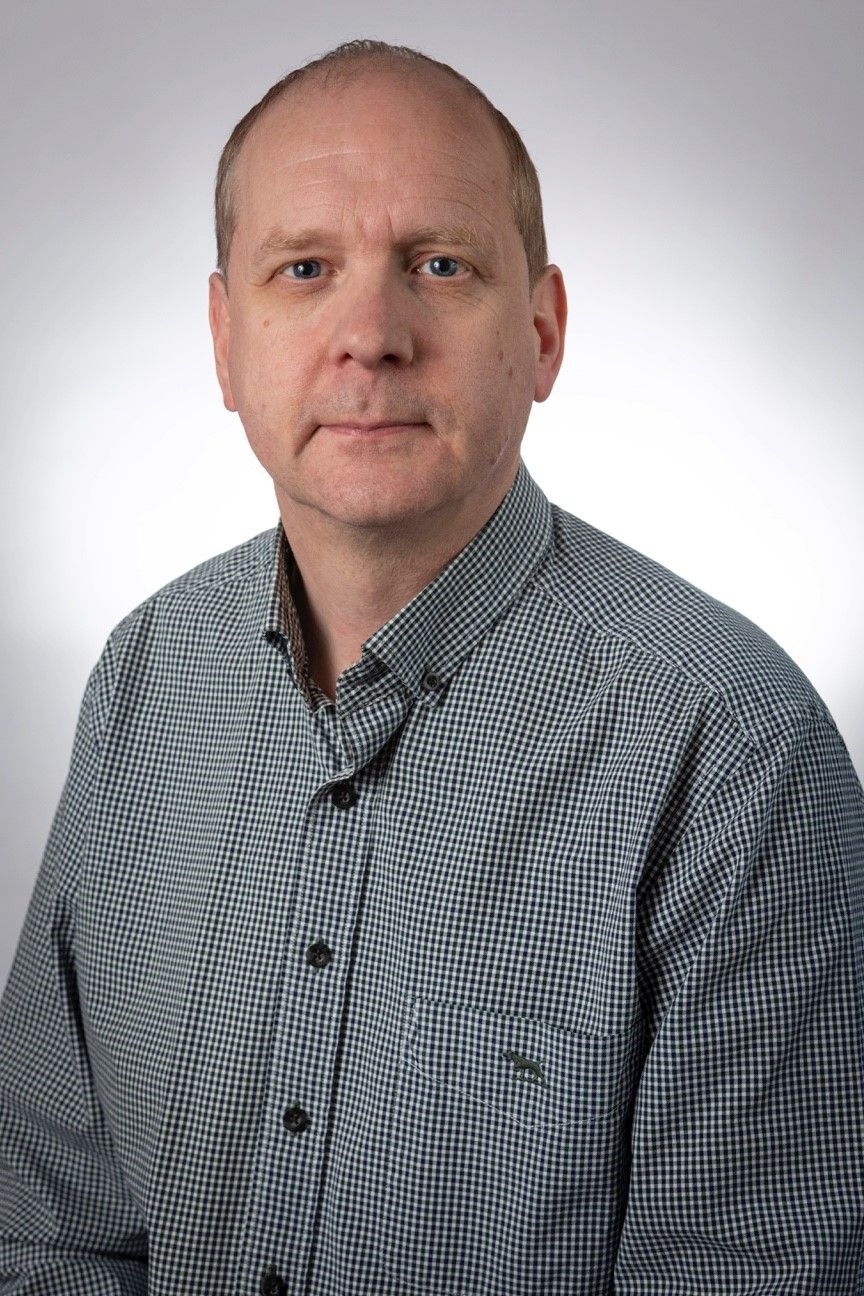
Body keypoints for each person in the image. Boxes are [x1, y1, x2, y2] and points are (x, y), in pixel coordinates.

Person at [1, 37, 862, 1296]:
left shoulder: (733, 748)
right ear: (225, 338)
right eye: (306, 269)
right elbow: (47, 1220)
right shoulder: (145, 677)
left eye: (438, 265)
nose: (371, 336)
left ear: (544, 330)